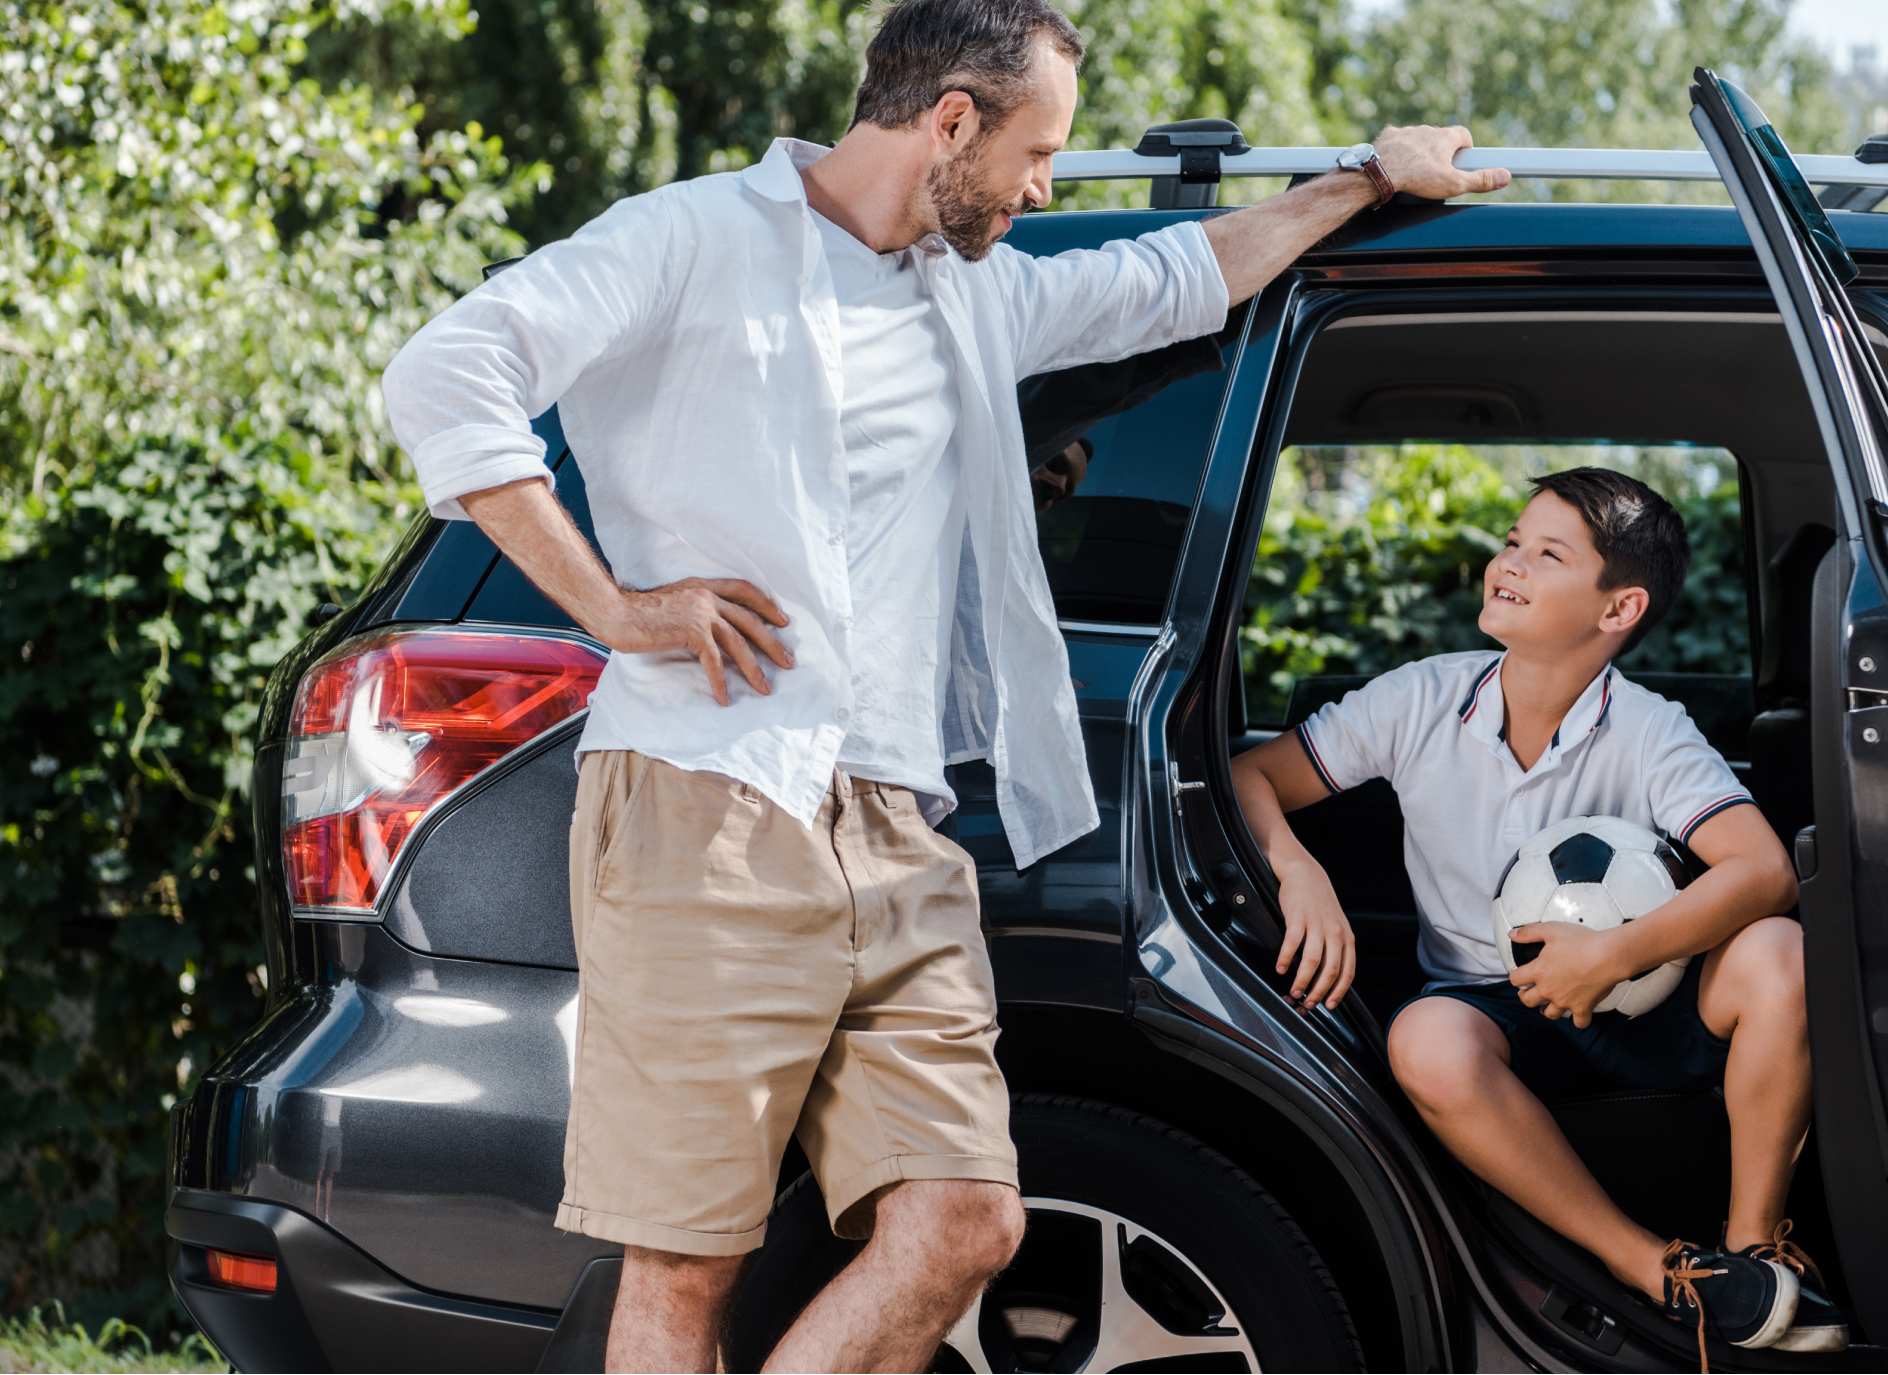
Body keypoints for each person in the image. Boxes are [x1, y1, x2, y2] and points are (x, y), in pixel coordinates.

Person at [380, 0, 1508, 1365]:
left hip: (898, 825)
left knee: (966, 1217)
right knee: (686, 1264)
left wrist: (1369, 178)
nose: (1045, 188)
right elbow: (450, 371)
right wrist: (618, 605)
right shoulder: (690, 238)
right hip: (708, 801)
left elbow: (1184, 274)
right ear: (952, 121)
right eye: (1038, 154)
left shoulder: (974, 291)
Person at [1229, 468, 1850, 1363]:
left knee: (1777, 952)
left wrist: (1612, 953)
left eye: (1547, 554)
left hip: (1638, 995)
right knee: (1424, 1040)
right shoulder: (1422, 698)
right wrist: (1300, 872)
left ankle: (1751, 1251)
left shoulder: (1648, 729)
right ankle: (1653, 1267)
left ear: (1617, 607)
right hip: (1495, 1008)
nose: (1507, 564)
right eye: (1513, 541)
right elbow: (1254, 776)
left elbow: (1762, 870)